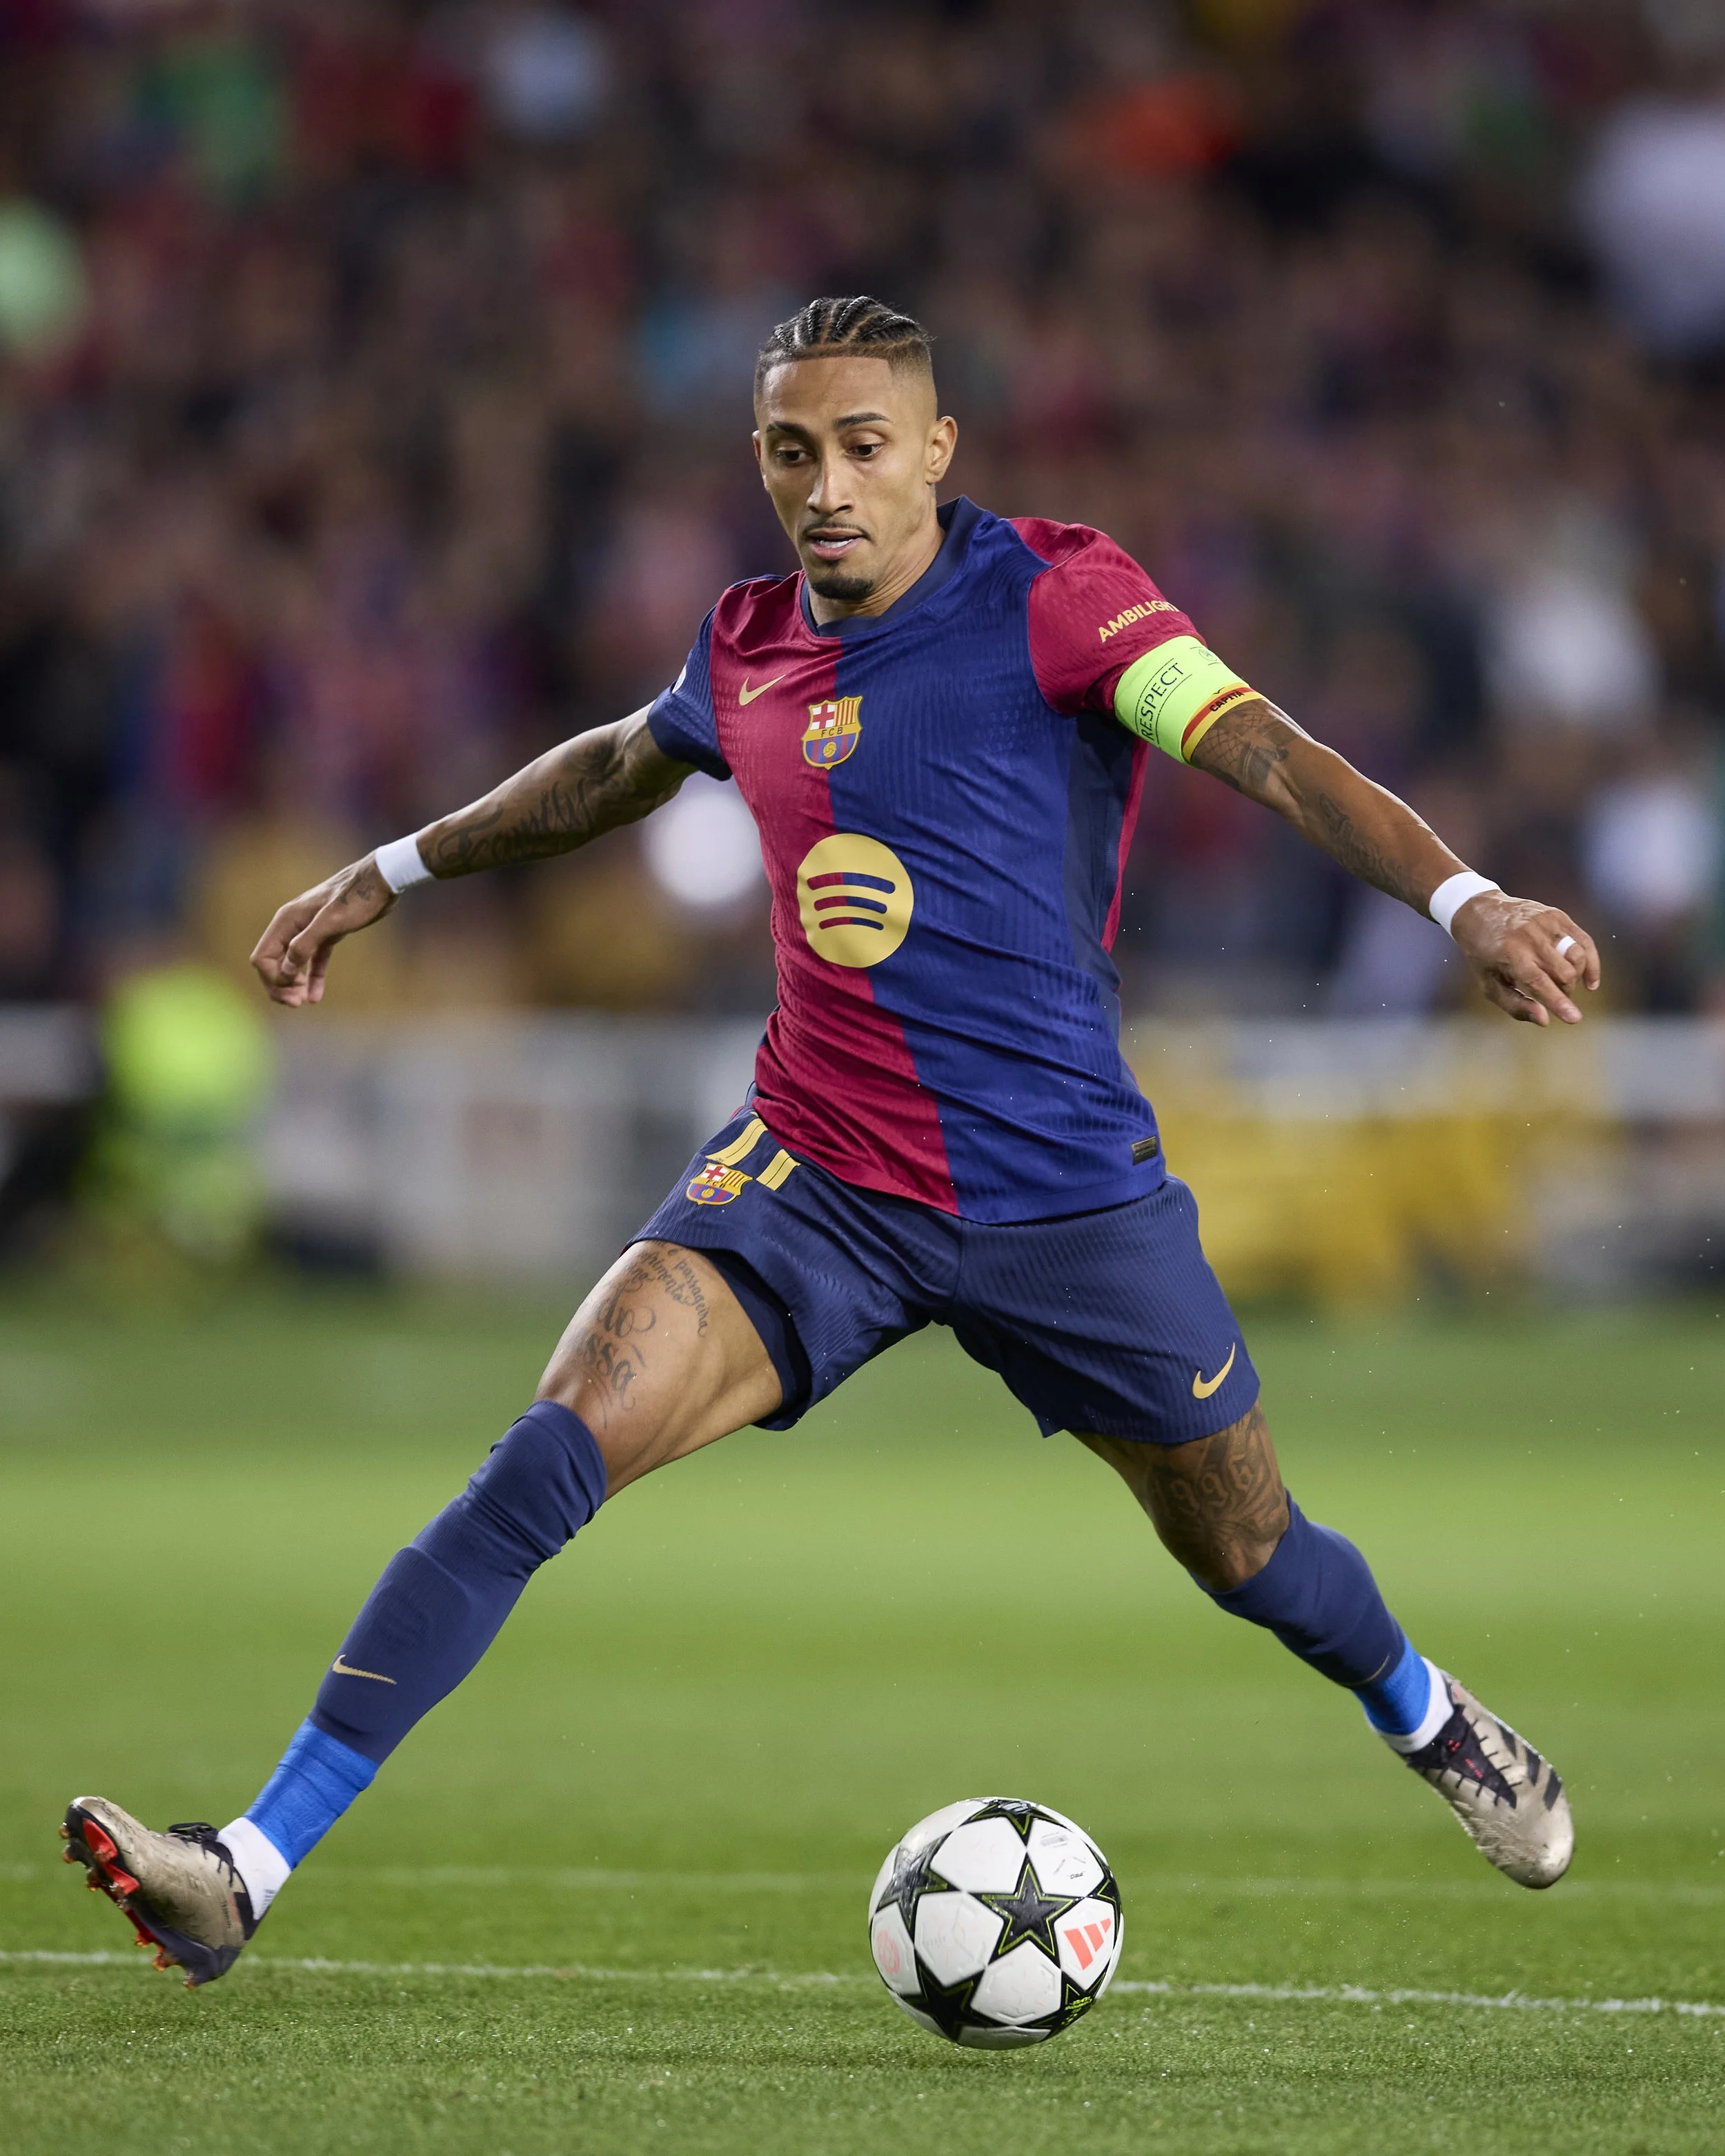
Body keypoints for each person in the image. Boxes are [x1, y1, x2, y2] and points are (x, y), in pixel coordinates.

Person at [63, 298, 1590, 1988]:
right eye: (793, 452)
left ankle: (1424, 1711)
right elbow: (611, 769)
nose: (828, 486)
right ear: (760, 461)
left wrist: (1464, 899)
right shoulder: (741, 647)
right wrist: (392, 869)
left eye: (864, 446)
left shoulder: (1059, 598)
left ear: (936, 449)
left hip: (1063, 1195)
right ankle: (245, 1864)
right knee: (543, 1455)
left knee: (1249, 1550)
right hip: (816, 1176)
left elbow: (1270, 754)